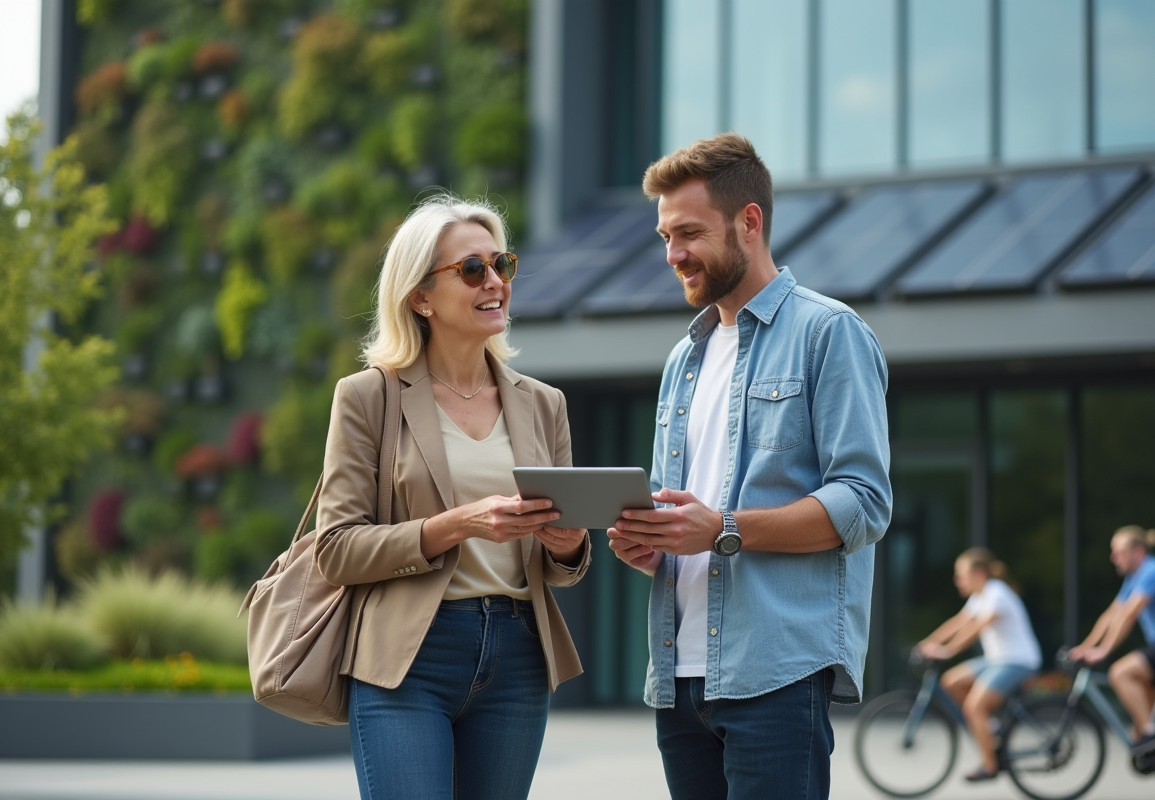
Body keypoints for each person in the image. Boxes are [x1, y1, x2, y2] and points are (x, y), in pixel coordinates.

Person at [607, 133, 892, 800]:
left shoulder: (830, 333)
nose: (673, 254)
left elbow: (863, 502)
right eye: (664, 236)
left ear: (750, 222)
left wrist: (723, 529)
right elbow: (681, 508)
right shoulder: (685, 358)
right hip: (678, 676)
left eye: (688, 233)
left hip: (776, 673)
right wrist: (650, 542)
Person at [313, 194, 591, 800]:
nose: (494, 282)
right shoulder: (368, 398)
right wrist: (458, 524)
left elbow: (561, 567)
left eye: (502, 265)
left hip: (518, 657)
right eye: (472, 269)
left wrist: (567, 546)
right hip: (409, 658)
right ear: (420, 297)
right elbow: (334, 549)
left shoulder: (545, 404)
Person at [1068, 525, 1155, 756]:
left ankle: (1152, 732)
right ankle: (1149, 740)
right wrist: (1087, 646)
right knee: (1139, 731)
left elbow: (1129, 614)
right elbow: (1112, 614)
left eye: (1118, 552)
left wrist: (1104, 650)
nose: (1113, 558)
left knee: (1120, 673)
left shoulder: (1153, 572)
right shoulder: (1135, 578)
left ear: (1137, 551)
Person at [916, 548, 1042, 782]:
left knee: (974, 708)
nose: (957, 580)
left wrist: (948, 650)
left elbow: (978, 627)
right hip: (997, 660)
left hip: (1018, 661)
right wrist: (928, 643)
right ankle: (991, 727)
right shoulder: (980, 596)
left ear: (980, 573)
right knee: (951, 681)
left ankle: (990, 765)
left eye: (961, 574)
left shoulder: (997, 593)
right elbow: (959, 622)